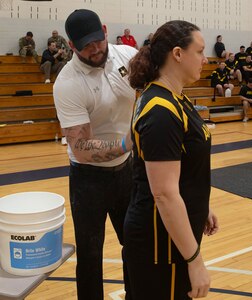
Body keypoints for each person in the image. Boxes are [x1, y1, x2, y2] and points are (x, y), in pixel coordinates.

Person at [125, 20, 219, 299]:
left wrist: (200, 205)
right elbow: (164, 194)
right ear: (177, 54)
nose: (205, 59)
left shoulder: (176, 98)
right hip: (159, 246)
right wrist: (195, 261)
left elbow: (185, 167)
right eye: (200, 51)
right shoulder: (161, 111)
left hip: (171, 236)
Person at [53, 9, 138, 299]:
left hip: (127, 171)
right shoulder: (68, 83)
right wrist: (129, 143)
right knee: (90, 255)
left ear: (104, 30)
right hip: (88, 179)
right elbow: (82, 148)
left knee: (136, 243)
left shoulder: (128, 55)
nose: (95, 49)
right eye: (86, 45)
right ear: (71, 45)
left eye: (98, 41)